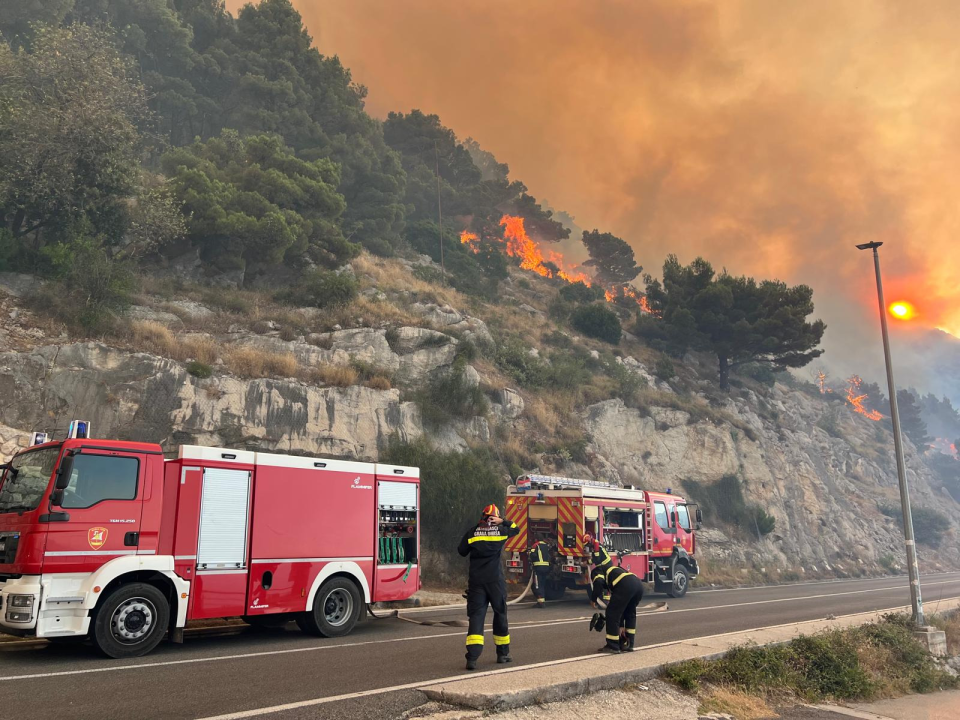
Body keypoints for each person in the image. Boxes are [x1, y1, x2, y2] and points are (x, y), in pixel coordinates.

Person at [458, 503, 520, 670]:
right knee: (500, 614)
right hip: (495, 582)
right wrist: (503, 521)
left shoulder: (473, 532)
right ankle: (503, 654)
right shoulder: (501, 531)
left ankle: (472, 658)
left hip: (477, 582)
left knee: (477, 617)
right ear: (495, 517)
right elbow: (516, 528)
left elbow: (461, 550)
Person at [589, 563, 644, 653]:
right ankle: (629, 644)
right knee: (630, 614)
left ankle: (613, 645)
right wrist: (621, 625)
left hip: (626, 585)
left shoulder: (596, 571)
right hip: (638, 585)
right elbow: (620, 610)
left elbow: (598, 582)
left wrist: (593, 599)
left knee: (611, 614)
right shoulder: (615, 571)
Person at [527, 537, 553, 608]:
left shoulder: (536, 545)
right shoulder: (546, 546)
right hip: (546, 568)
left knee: (538, 585)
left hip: (538, 568)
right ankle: (542, 600)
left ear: (536, 539)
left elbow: (533, 555)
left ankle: (540, 603)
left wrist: (529, 554)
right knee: (542, 584)